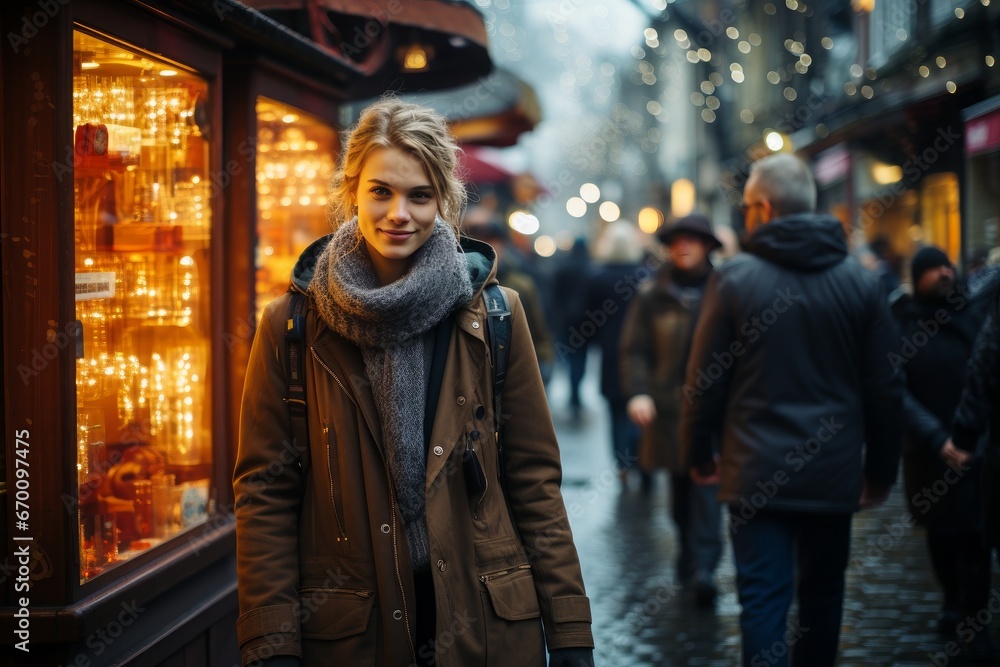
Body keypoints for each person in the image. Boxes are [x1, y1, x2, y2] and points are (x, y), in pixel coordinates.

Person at [233, 98, 594, 667]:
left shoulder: (497, 315)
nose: (398, 212)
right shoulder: (291, 325)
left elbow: (534, 483)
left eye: (419, 195)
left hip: (486, 625)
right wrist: (272, 640)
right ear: (352, 190)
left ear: (444, 201)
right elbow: (266, 494)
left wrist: (571, 631)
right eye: (381, 191)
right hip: (353, 632)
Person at [679, 153, 903, 667]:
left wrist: (698, 452)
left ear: (762, 208)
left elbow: (704, 383)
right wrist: (881, 472)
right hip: (832, 472)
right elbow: (886, 387)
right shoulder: (862, 284)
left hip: (755, 472)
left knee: (762, 601)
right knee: (823, 600)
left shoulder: (734, 280)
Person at [619, 213, 725, 606]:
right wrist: (638, 392)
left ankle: (704, 568)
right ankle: (688, 550)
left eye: (692, 240)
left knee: (709, 488)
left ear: (708, 246)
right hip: (669, 411)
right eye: (677, 240)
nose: (683, 247)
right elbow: (635, 350)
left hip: (715, 411)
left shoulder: (726, 289)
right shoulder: (652, 294)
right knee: (681, 492)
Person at [890, 246, 992, 647]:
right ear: (918, 279)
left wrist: (973, 435)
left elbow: (987, 377)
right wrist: (935, 438)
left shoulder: (976, 314)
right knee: (941, 532)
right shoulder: (902, 324)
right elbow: (896, 390)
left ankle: (976, 616)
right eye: (933, 270)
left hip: (975, 446)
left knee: (976, 535)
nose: (945, 274)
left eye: (947, 266)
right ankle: (952, 600)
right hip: (929, 452)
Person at [584, 219, 646, 489]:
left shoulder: (598, 278)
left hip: (611, 354)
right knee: (641, 410)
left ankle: (622, 463)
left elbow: (585, 319)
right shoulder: (645, 277)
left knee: (616, 412)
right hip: (643, 357)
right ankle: (641, 459)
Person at [464, 217, 556, 385]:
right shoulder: (456, 288)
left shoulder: (521, 285)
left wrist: (543, 364)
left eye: (492, 240)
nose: (487, 247)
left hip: (514, 377)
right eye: (479, 239)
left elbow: (539, 331)